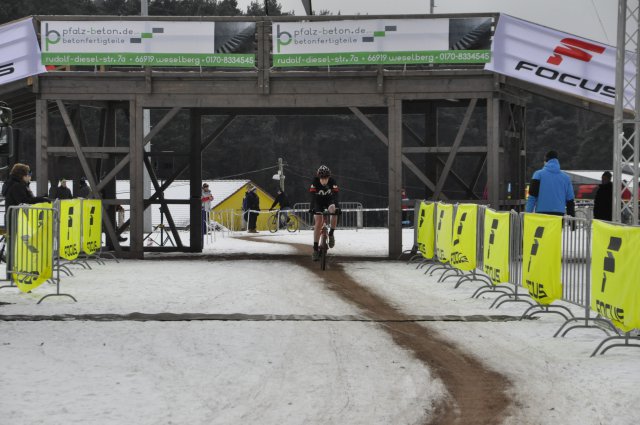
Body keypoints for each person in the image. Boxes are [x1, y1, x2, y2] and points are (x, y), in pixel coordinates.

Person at [525, 150, 575, 217]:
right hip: (559, 214)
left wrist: (527, 214)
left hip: (542, 213)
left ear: (546, 161)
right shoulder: (566, 178)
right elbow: (570, 200)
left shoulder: (538, 174)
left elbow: (532, 196)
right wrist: (572, 222)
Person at [309, 165, 339, 261]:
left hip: (329, 201)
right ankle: (315, 249)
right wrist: (312, 208)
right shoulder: (315, 181)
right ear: (319, 177)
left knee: (334, 210)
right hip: (318, 202)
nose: (324, 181)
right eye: (322, 179)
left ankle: (331, 234)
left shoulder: (332, 181)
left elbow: (336, 196)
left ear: (329, 177)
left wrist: (337, 207)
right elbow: (312, 196)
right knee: (318, 222)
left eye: (326, 179)